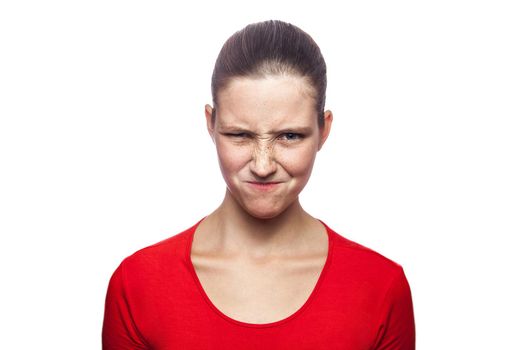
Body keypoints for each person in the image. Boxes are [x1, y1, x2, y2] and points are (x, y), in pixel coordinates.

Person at [102, 20, 415, 349]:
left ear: (323, 130)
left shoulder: (380, 287)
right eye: (240, 135)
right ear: (211, 124)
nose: (263, 166)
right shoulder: (139, 284)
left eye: (289, 136)